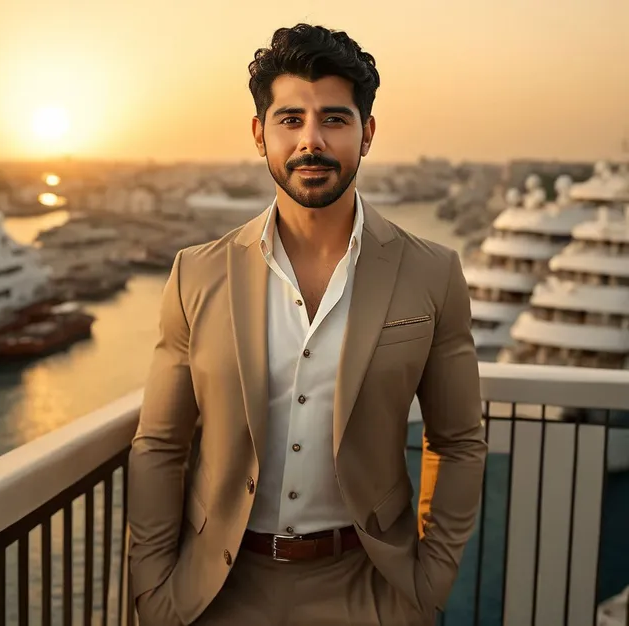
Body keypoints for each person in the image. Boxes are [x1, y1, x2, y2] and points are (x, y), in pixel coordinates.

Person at [127, 22, 487, 626]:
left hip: (370, 588)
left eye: (335, 120)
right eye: (290, 119)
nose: (310, 141)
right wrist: (155, 593)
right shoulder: (196, 274)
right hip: (218, 590)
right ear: (259, 133)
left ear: (367, 134)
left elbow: (458, 443)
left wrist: (429, 582)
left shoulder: (433, 272)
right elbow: (160, 445)